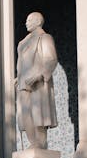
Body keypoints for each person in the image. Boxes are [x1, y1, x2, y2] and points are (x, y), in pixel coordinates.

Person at [16, 12, 58, 149]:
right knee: (25, 112)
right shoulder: (23, 42)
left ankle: (40, 143)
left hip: (37, 81)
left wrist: (40, 74)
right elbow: (23, 63)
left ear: (38, 22)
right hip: (23, 82)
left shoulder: (44, 38)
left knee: (38, 112)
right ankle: (33, 143)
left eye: (29, 20)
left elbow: (50, 59)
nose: (26, 23)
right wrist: (18, 77)